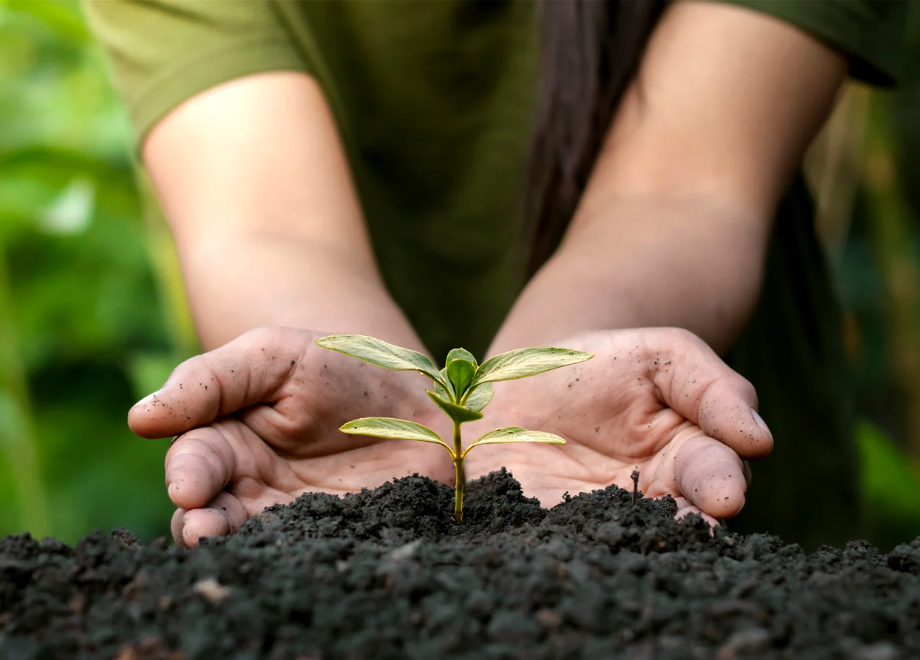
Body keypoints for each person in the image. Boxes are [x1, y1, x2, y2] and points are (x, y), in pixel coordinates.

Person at [83, 0, 905, 549]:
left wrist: (555, 385)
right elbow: (267, 223)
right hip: (331, 478)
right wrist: (370, 382)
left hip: (679, 507)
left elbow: (683, 188)